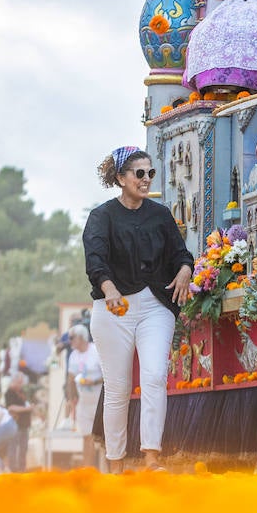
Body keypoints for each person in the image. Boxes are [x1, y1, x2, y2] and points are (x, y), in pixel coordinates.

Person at [84, 146, 193, 473]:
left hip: (154, 305)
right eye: (139, 173)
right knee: (117, 388)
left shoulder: (160, 215)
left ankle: (151, 458)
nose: (146, 180)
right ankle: (115, 464)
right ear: (120, 178)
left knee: (155, 376)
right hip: (113, 308)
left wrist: (186, 269)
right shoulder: (101, 217)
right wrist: (109, 289)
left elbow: (180, 254)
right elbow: (95, 262)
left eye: (150, 173)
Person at [65, 323, 104, 469]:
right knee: (86, 437)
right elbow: (70, 379)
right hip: (84, 402)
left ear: (81, 338)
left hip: (99, 401)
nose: (70, 341)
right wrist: (71, 399)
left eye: (72, 338)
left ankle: (108, 471)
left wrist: (93, 381)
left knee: (103, 439)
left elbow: (107, 376)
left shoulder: (96, 350)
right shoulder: (73, 355)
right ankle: (88, 469)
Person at [4, 372, 33, 472]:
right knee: (13, 447)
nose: (21, 385)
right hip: (15, 424)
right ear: (14, 381)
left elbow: (25, 403)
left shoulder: (21, 392)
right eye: (19, 383)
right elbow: (11, 408)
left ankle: (22, 468)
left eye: (21, 383)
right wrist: (26, 409)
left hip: (24, 424)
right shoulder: (9, 393)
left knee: (23, 448)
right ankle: (13, 468)